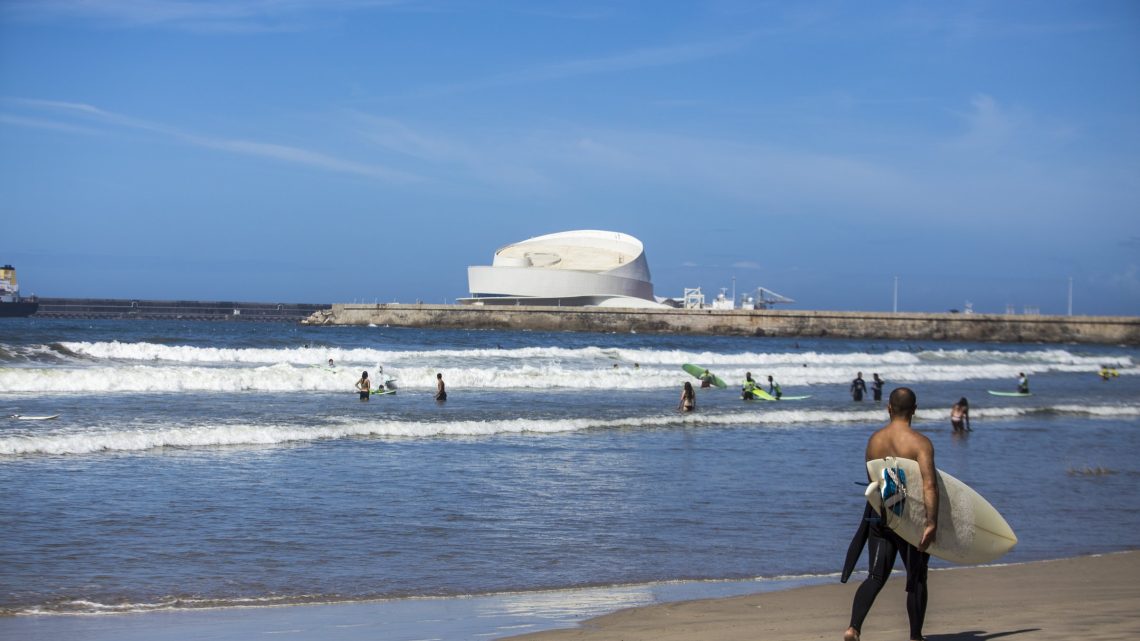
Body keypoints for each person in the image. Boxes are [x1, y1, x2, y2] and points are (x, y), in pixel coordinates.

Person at [842, 387, 937, 641]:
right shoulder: (921, 443)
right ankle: (915, 636)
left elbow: (873, 481)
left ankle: (853, 628)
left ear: (889, 408)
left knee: (875, 576)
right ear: (914, 409)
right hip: (911, 518)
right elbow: (929, 485)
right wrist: (931, 522)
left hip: (881, 514)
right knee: (917, 577)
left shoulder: (874, 440)